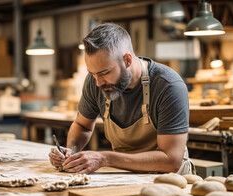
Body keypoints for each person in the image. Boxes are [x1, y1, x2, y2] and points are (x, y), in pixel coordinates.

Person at [49, 23, 193, 175]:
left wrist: (105, 158)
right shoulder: (96, 81)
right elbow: (82, 125)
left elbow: (171, 161)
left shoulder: (168, 86)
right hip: (124, 174)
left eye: (105, 72)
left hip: (169, 180)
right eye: (93, 74)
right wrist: (71, 152)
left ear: (127, 60)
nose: (98, 83)